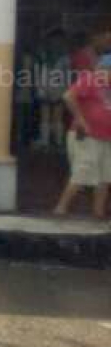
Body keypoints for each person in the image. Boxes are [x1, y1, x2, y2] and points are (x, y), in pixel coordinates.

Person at [52, 54, 111, 219]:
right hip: (87, 135)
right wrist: (80, 119)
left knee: (106, 176)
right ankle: (61, 209)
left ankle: (98, 213)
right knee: (82, 172)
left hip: (107, 137)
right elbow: (68, 96)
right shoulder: (90, 80)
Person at [32, 29, 70, 151]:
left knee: (47, 117)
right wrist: (67, 89)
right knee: (56, 117)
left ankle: (46, 142)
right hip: (58, 88)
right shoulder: (64, 57)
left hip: (46, 87)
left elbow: (37, 73)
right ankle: (56, 142)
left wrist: (38, 87)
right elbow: (67, 76)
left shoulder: (43, 55)